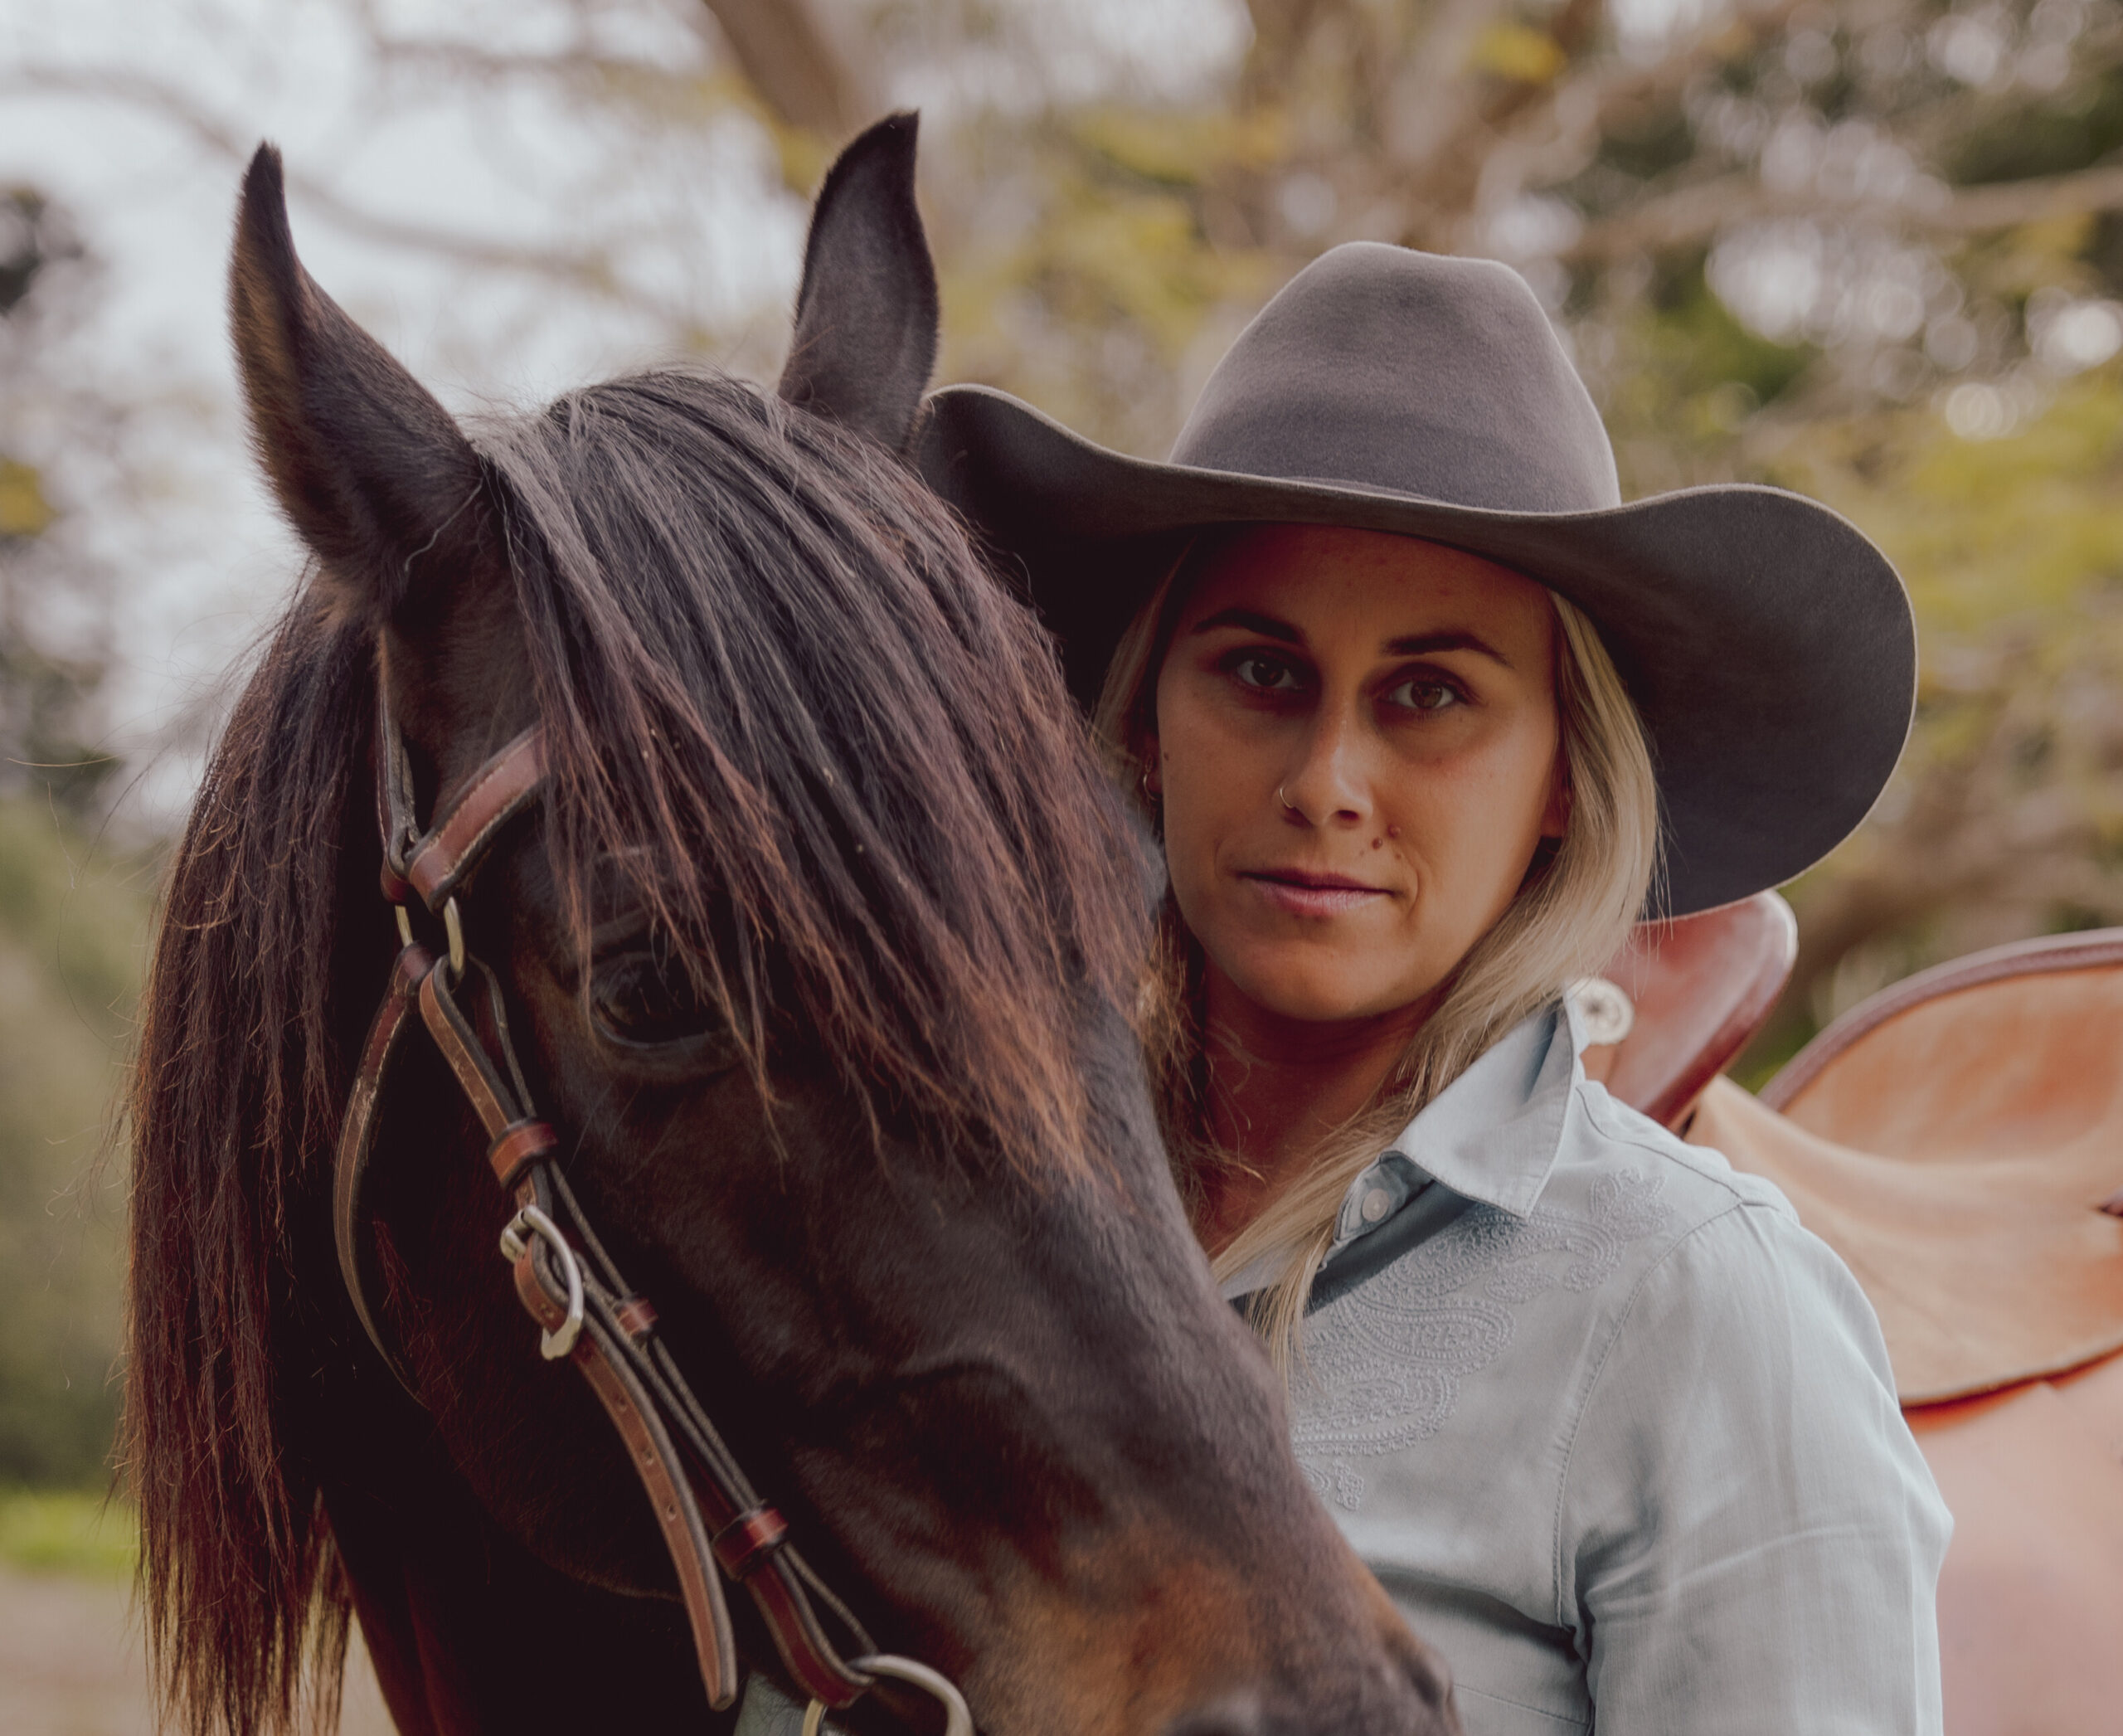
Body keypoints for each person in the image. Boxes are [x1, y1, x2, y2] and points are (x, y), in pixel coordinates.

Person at [916, 244, 1951, 1734]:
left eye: (1431, 693)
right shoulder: (954, 1218)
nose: (1329, 780)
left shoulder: (1698, 1306)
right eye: (1261, 673)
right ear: (1148, 720)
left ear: (1559, 783)